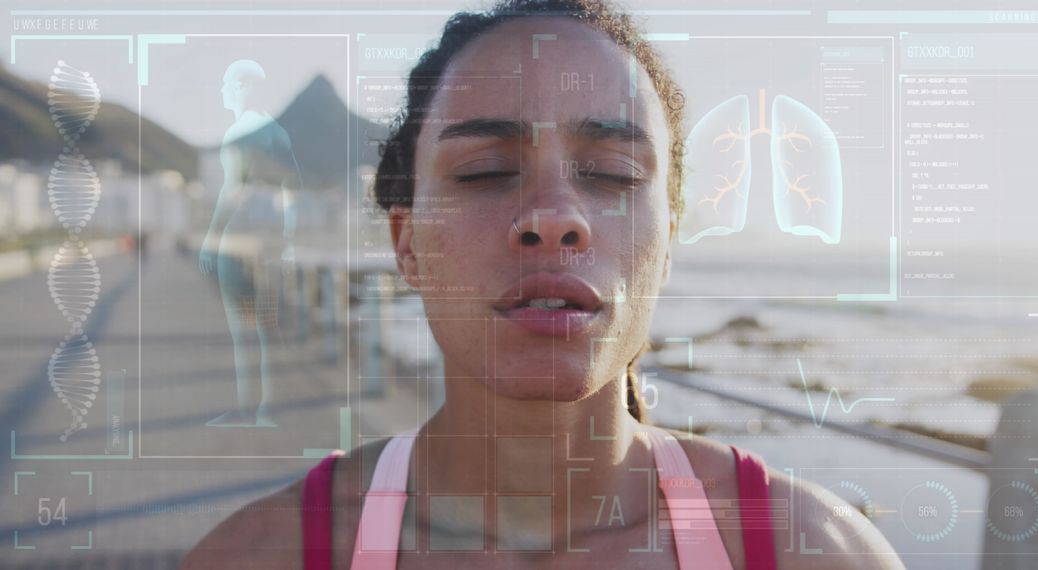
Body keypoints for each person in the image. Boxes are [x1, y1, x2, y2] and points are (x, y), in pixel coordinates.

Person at [182, 1, 904, 568]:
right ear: (407, 245)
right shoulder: (261, 556)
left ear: (670, 241)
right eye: (485, 171)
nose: (554, 218)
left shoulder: (814, 551)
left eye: (614, 174)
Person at [198, 59, 301, 427]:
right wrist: (286, 239)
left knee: (244, 329)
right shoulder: (280, 132)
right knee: (265, 325)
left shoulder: (238, 134)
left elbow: (230, 191)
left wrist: (210, 239)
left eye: (228, 84)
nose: (223, 91)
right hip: (272, 243)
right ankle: (265, 408)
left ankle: (249, 407)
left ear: (243, 87)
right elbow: (293, 190)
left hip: (239, 243)